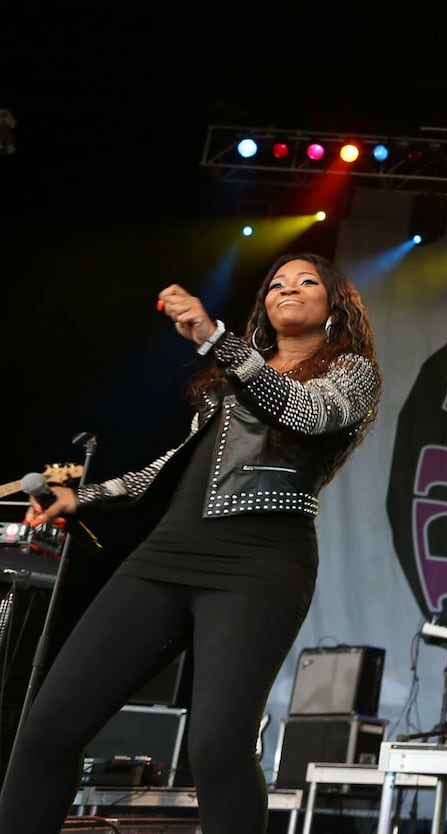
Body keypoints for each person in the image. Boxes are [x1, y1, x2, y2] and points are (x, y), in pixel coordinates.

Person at [0, 253, 381, 834]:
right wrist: (87, 496)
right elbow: (174, 466)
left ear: (336, 305)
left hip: (258, 563)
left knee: (218, 748)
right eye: (276, 283)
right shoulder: (232, 379)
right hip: (166, 553)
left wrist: (217, 339)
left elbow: (305, 413)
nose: (288, 289)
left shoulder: (351, 372)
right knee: (48, 730)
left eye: (308, 282)